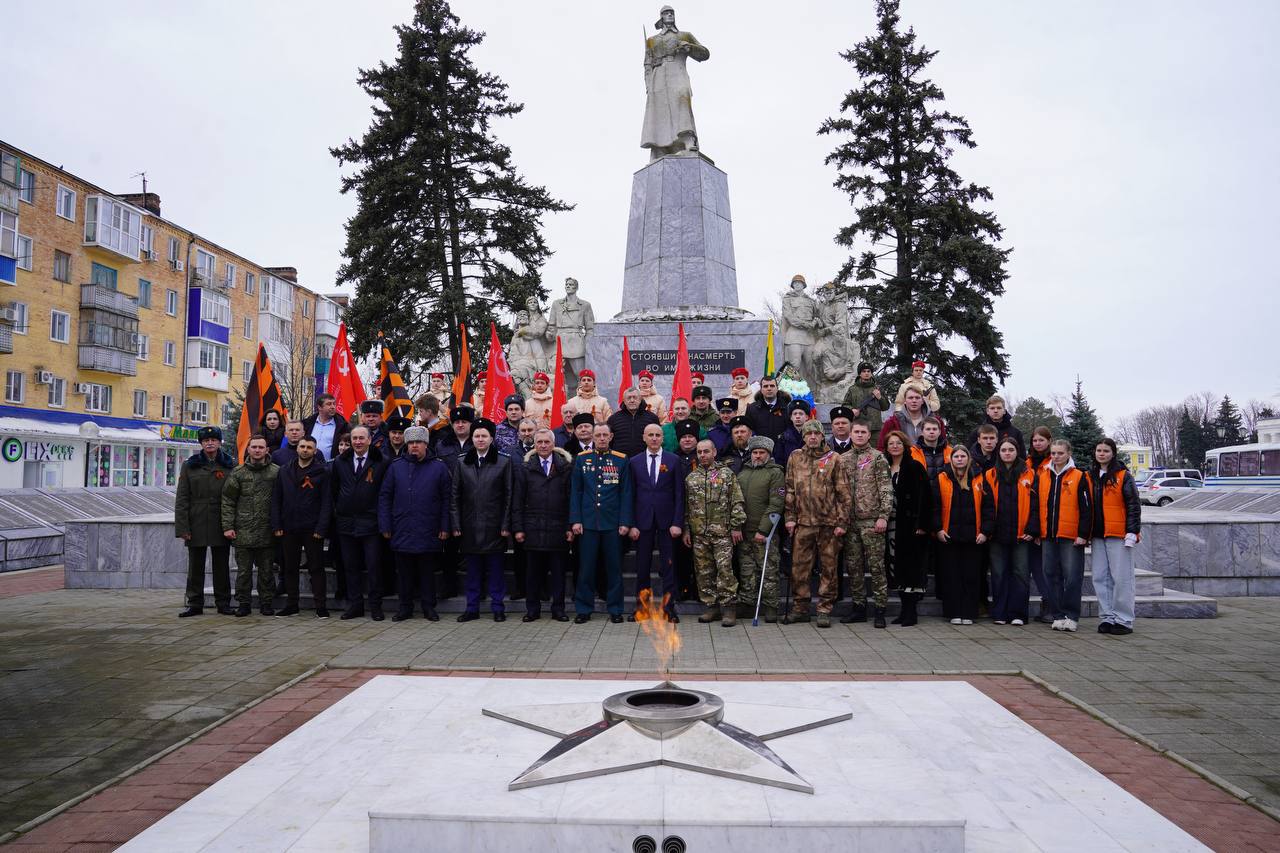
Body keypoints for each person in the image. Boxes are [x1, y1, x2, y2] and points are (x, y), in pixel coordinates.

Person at [782, 420, 852, 627]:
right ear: (803, 437)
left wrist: (842, 522)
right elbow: (789, 490)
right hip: (803, 523)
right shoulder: (795, 457)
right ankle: (800, 607)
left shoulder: (834, 459)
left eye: (816, 434)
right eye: (808, 434)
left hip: (829, 524)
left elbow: (844, 493)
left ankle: (824, 609)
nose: (812, 437)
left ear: (822, 436)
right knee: (799, 568)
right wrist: (790, 518)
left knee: (829, 568)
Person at [379, 425, 451, 622]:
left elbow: (447, 499)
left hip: (429, 528)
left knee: (427, 573)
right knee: (404, 574)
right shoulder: (395, 467)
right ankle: (405, 608)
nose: (414, 446)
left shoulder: (439, 467)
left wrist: (445, 526)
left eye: (418, 442)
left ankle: (429, 607)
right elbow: (385, 497)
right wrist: (385, 525)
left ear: (426, 444)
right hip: (401, 528)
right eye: (410, 442)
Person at [450, 418, 513, 622]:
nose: (480, 439)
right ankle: (472, 608)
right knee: (473, 572)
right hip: (469, 526)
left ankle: (497, 608)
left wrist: (505, 525)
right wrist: (456, 524)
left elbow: (508, 496)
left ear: (491, 438)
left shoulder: (503, 461)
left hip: (494, 527)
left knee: (496, 572)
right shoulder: (462, 462)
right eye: (476, 435)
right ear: (472, 438)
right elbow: (455, 496)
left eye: (484, 436)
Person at [570, 423, 633, 623]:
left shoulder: (621, 460)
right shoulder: (582, 460)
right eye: (598, 435)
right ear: (593, 437)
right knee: (586, 569)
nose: (602, 438)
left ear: (611, 436)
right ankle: (583, 609)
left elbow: (626, 493)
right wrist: (576, 520)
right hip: (588, 523)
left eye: (605, 435)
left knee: (614, 569)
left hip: (612, 524)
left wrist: (625, 521)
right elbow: (576, 492)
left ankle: (615, 609)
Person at [1029, 439, 1092, 633]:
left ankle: (1071, 616)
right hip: (1048, 535)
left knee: (1072, 577)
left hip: (1071, 536)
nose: (1056, 457)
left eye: (1060, 453)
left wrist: (1083, 534)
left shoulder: (1080, 476)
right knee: (1050, 575)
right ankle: (1057, 615)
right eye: (1054, 453)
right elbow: (1035, 505)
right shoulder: (1043, 475)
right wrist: (1037, 531)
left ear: (1068, 453)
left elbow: (1087, 508)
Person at [513, 428, 575, 622]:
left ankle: (558, 609)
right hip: (533, 528)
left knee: (558, 573)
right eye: (539, 442)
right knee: (533, 574)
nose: (543, 445)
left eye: (546, 442)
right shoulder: (526, 467)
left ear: (553, 444)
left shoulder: (565, 467)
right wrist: (519, 528)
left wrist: (569, 527)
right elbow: (517, 500)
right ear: (535, 444)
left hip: (558, 528)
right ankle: (533, 610)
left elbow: (570, 499)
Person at [175, 426, 237, 617]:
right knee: (195, 566)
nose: (210, 443)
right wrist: (183, 527)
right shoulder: (190, 465)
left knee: (221, 565)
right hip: (197, 519)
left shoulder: (229, 464)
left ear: (220, 442)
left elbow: (235, 496)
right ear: (201, 444)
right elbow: (182, 497)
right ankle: (194, 603)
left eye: (213, 440)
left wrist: (232, 524)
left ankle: (223, 602)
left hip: (221, 519)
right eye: (205, 440)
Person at [684, 439, 745, 626]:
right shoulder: (691, 478)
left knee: (725, 570)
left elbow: (736, 500)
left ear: (714, 452)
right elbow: (687, 507)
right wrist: (687, 529)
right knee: (703, 571)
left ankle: (728, 608)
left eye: (706, 451)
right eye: (700, 452)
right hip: (700, 534)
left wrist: (736, 526)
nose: (703, 455)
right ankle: (710, 607)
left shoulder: (726, 474)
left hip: (722, 533)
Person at [628, 423, 685, 621]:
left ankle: (669, 608)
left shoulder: (674, 460)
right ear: (644, 437)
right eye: (650, 435)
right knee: (642, 567)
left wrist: (677, 522)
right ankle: (642, 608)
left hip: (667, 522)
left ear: (663, 438)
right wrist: (632, 523)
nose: (654, 438)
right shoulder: (634, 462)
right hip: (642, 522)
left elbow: (679, 494)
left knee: (668, 566)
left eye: (657, 435)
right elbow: (631, 494)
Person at [839, 421, 894, 627]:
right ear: (851, 434)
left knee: (877, 567)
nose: (860, 435)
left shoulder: (877, 458)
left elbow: (886, 489)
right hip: (850, 522)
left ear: (869, 435)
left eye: (863, 432)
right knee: (854, 567)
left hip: (872, 520)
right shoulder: (843, 459)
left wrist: (883, 516)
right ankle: (859, 607)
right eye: (857, 432)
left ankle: (880, 609)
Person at [270, 435, 331, 618]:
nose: (305, 450)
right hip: (289, 526)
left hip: (312, 528)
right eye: (302, 446)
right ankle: (292, 604)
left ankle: (320, 606)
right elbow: (276, 499)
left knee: (316, 568)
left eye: (309, 447)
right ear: (297, 448)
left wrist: (321, 528)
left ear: (315, 450)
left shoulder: (322, 471)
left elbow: (327, 502)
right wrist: (277, 524)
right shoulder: (284, 470)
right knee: (289, 567)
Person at [931, 444, 993, 625]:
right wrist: (938, 529)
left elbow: (988, 508)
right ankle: (953, 612)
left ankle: (969, 612)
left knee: (971, 576)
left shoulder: (979, 478)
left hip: (974, 538)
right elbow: (934, 506)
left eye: (962, 456)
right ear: (951, 458)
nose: (959, 459)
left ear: (968, 459)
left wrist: (985, 532)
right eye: (956, 456)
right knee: (952, 576)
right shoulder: (942, 478)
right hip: (948, 537)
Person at [332, 425, 387, 621]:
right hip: (346, 523)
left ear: (370, 440)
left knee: (373, 567)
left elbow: (384, 493)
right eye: (354, 438)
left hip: (371, 523)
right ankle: (355, 605)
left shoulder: (381, 462)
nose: (357, 442)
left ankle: (375, 606)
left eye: (361, 438)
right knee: (350, 566)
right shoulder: (340, 461)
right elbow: (334, 489)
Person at [221, 434, 280, 617]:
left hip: (267, 531)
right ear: (248, 449)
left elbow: (283, 500)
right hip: (243, 531)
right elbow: (228, 501)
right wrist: (227, 526)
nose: (257, 450)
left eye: (261, 447)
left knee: (267, 571)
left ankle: (266, 602)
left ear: (267, 450)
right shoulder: (238, 473)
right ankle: (243, 603)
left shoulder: (276, 472)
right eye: (254, 447)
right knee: (244, 572)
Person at [1088, 438, 1141, 636]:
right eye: (1099, 450)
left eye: (1106, 451)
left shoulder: (1123, 476)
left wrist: (1132, 531)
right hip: (1098, 534)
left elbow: (1133, 505)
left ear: (1113, 453)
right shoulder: (1091, 476)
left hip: (1119, 534)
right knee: (1100, 578)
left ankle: (1124, 619)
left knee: (1122, 578)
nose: (1102, 454)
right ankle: (1107, 617)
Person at [881, 430, 930, 627]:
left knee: (911, 568)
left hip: (910, 525)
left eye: (898, 443)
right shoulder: (884, 467)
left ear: (904, 445)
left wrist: (922, 524)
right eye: (891, 443)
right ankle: (903, 610)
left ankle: (911, 612)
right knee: (896, 566)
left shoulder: (914, 467)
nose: (894, 446)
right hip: (890, 524)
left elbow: (925, 497)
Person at [984, 437, 1035, 626]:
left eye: (1011, 450)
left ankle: (1018, 614)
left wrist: (1032, 528)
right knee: (998, 573)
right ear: (999, 452)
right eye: (1004, 450)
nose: (1007, 453)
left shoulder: (1029, 474)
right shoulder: (990, 474)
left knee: (1020, 573)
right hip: (997, 534)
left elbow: (1036, 504)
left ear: (1017, 452)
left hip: (1021, 533)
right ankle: (1000, 613)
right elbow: (986, 505)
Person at [735, 435, 785, 623]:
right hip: (744, 530)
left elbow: (776, 504)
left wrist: (763, 530)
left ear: (768, 454)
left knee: (768, 569)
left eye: (761, 453)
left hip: (764, 533)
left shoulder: (775, 473)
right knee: (747, 569)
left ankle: (771, 605)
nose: (757, 456)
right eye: (754, 452)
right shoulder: (743, 472)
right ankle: (747, 602)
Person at [1025, 425, 1054, 623]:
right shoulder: (1026, 462)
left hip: (1046, 521)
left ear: (1049, 441)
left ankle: (1051, 604)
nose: (1038, 443)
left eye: (1041, 440)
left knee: (1047, 568)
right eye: (1035, 440)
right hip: (1028, 520)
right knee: (1036, 567)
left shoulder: (1054, 461)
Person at [841, 362, 890, 448]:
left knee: (875, 454)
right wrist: (852, 410)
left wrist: (880, 398)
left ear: (871, 373)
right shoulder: (853, 389)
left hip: (875, 429)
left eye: (868, 371)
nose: (866, 373)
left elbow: (886, 407)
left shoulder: (877, 389)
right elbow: (845, 405)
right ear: (860, 373)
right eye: (864, 371)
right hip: (858, 428)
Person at [878, 387, 943, 451]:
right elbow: (881, 447)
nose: (914, 401)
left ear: (923, 401)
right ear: (905, 401)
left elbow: (943, 444)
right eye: (910, 398)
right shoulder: (892, 423)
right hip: (903, 460)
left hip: (930, 460)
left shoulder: (936, 421)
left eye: (917, 398)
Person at [608, 387, 661, 457]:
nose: (632, 400)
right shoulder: (613, 419)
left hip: (644, 460)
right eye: (629, 398)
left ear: (640, 399)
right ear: (624, 401)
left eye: (635, 397)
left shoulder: (652, 418)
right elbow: (609, 442)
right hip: (619, 460)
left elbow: (657, 440)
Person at [746, 374, 791, 443]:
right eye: (765, 386)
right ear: (761, 389)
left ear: (777, 388)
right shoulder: (751, 409)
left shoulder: (787, 408)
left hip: (782, 449)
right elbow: (749, 430)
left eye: (772, 386)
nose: (769, 388)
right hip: (760, 450)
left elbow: (790, 430)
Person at [303, 393, 347, 461]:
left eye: (334, 404)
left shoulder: (342, 425)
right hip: (309, 466)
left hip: (331, 467)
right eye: (329, 404)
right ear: (320, 407)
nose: (333, 407)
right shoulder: (307, 423)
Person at [772, 399, 809, 466]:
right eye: (795, 414)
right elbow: (779, 460)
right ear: (791, 417)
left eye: (801, 414)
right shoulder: (783, 438)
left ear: (806, 417)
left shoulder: (812, 436)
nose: (797, 416)